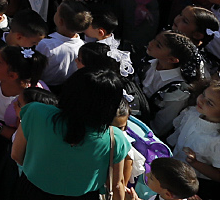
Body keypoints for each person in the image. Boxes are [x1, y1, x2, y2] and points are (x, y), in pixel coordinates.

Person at [11, 68, 134, 198]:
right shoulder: (115, 138)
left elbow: (16, 155)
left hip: (31, 191)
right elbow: (116, 185)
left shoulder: (35, 111)